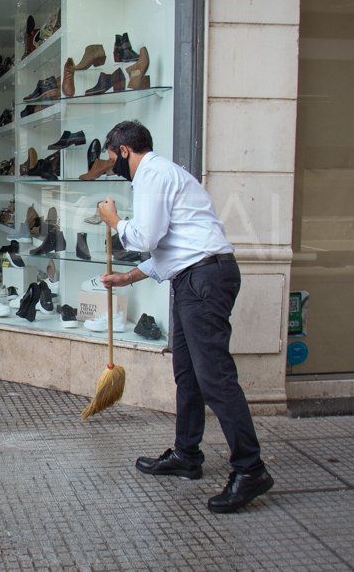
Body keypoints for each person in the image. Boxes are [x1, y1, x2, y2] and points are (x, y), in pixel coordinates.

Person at [95, 120, 273, 514]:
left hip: (204, 279)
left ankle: (250, 468)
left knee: (215, 378)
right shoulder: (163, 174)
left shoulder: (152, 174)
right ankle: (187, 455)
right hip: (195, 276)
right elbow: (173, 249)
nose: (113, 167)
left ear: (124, 150)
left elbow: (147, 238)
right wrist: (129, 276)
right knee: (188, 375)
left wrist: (114, 221)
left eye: (112, 159)